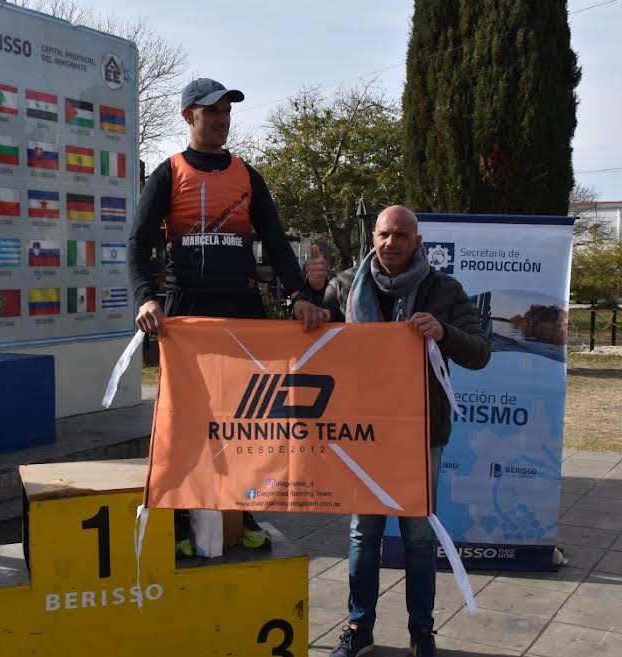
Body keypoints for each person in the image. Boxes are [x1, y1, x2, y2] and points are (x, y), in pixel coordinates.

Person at [128, 78, 329, 556]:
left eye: (226, 112)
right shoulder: (168, 173)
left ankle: (242, 511)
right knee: (184, 421)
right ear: (188, 117)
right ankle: (179, 521)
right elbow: (136, 244)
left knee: (245, 420)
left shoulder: (247, 175)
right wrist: (146, 298)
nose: (222, 120)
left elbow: (276, 242)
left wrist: (300, 295)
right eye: (211, 112)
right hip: (187, 316)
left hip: (241, 312)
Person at [320, 205, 491, 657]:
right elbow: (309, 339)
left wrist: (444, 332)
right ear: (372, 237)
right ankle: (359, 628)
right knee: (364, 533)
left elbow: (480, 352)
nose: (390, 243)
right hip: (362, 431)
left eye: (400, 235)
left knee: (417, 535)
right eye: (383, 234)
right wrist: (306, 299)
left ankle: (422, 631)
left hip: (420, 433)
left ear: (417, 242)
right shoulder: (345, 286)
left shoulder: (444, 290)